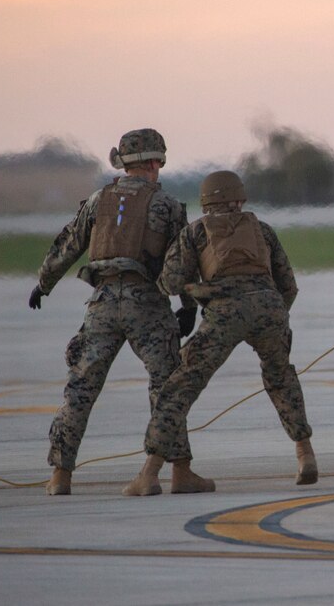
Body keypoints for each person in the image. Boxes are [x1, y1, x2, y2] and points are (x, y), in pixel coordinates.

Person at [27, 128, 201, 496]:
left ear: (124, 164)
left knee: (81, 388)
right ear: (154, 162)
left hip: (103, 303)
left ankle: (60, 475)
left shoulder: (97, 200)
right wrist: (188, 307)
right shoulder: (167, 205)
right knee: (167, 387)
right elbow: (182, 263)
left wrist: (43, 284)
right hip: (148, 304)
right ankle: (180, 471)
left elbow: (68, 245)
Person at [123, 170, 316, 495]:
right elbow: (289, 285)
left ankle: (150, 473)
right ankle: (305, 455)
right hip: (269, 306)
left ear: (206, 202)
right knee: (281, 378)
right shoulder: (262, 230)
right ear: (240, 199)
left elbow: (170, 284)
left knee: (180, 388)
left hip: (225, 312)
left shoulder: (195, 232)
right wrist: (274, 314)